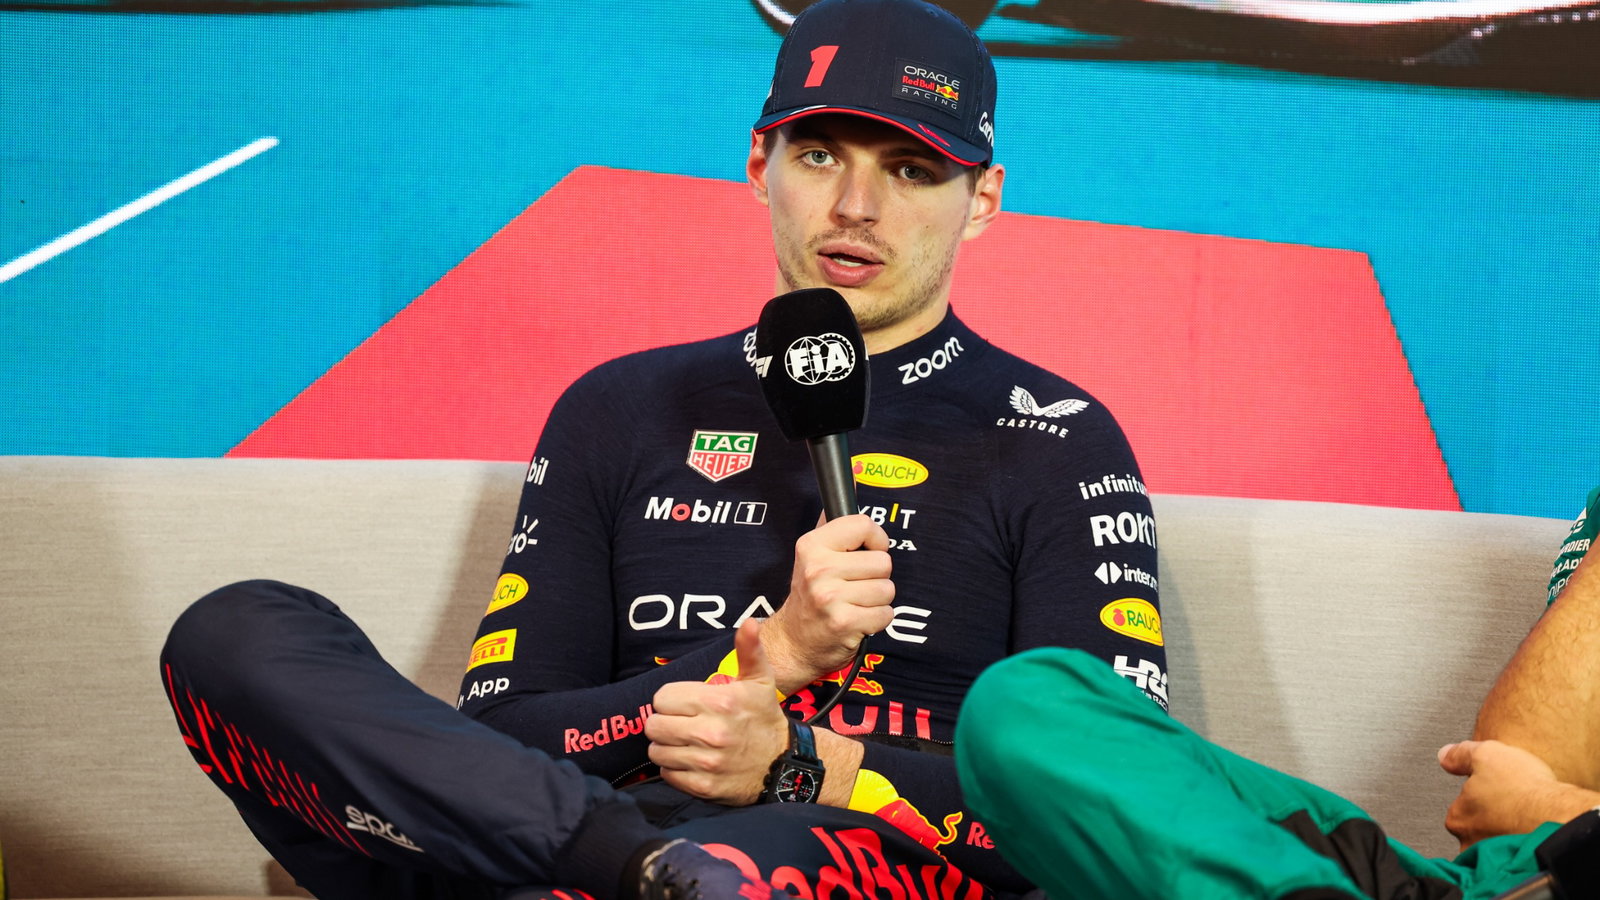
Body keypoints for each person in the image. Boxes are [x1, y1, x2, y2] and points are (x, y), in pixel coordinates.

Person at [161, 1, 1164, 897]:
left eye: (910, 170)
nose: (856, 208)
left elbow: (1115, 816)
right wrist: (765, 660)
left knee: (748, 868)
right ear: (760, 166)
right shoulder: (619, 406)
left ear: (981, 198)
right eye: (820, 155)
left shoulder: (1056, 440)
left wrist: (803, 762)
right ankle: (636, 873)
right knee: (234, 634)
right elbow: (496, 746)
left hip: (832, 858)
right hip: (568, 849)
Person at [954, 487, 1600, 900]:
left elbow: (1528, 798)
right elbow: (1513, 776)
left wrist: (1552, 804)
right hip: (1470, 883)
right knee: (1024, 706)